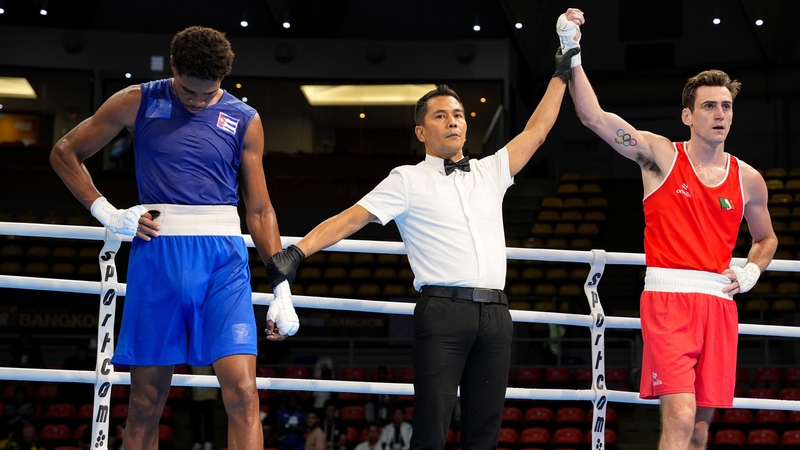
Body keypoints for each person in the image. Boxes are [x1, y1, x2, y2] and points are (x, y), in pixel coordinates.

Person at [264, 47, 580, 450]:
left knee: (484, 432)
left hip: (497, 314)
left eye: (459, 115)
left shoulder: (490, 170)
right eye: (441, 115)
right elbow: (351, 218)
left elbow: (537, 130)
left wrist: (560, 70)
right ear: (421, 132)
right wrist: (297, 252)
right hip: (442, 314)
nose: (452, 121)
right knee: (431, 429)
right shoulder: (406, 179)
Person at [50, 25, 295, 450]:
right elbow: (65, 151)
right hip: (158, 254)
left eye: (208, 93)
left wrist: (282, 287)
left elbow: (259, 209)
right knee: (145, 402)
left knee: (244, 394)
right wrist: (106, 211)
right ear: (174, 69)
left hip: (223, 260)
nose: (198, 101)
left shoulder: (244, 119)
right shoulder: (137, 99)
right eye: (188, 92)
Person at [559, 7, 778, 450]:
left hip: (719, 302)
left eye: (726, 106)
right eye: (709, 106)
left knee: (700, 429)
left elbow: (766, 238)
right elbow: (595, 118)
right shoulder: (660, 156)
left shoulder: (749, 179)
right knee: (679, 417)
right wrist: (571, 49)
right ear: (687, 115)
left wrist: (752, 271)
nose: (720, 114)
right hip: (668, 300)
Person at [189, 366, 218, 450]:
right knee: (194, 420)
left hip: (210, 394)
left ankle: (208, 442)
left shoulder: (212, 357)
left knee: (208, 419)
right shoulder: (191, 358)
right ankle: (197, 441)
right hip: (195, 394)